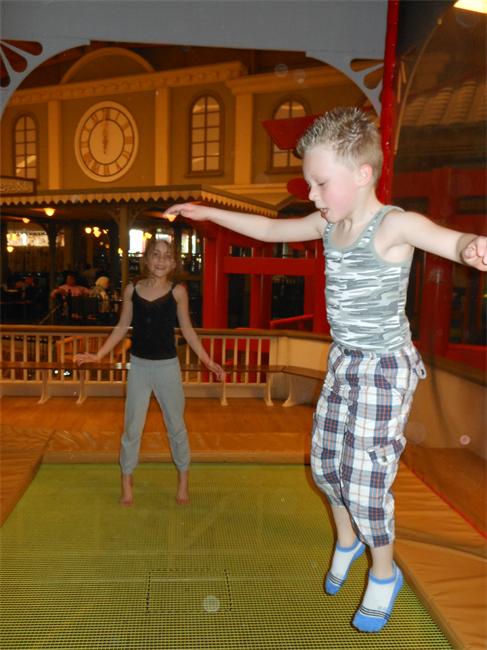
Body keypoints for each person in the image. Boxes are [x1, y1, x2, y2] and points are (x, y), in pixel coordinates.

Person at [167, 107, 487, 632]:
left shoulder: (393, 225)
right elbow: (268, 228)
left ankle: (384, 573)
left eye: (320, 183)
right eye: (311, 184)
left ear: (362, 174)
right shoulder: (328, 222)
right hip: (344, 361)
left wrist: (469, 247)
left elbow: (443, 239)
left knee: (365, 480)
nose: (312, 195)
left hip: (384, 369)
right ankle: (347, 540)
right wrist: (208, 212)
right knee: (323, 466)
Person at [75, 238, 224, 506]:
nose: (161, 260)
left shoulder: (177, 292)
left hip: (168, 367)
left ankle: (183, 479)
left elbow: (188, 330)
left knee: (176, 426)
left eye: (167, 256)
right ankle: (127, 480)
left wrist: (207, 360)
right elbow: (122, 327)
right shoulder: (132, 290)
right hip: (140, 368)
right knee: (132, 427)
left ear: (174, 263)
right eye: (156, 254)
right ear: (147, 259)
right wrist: (98, 354)